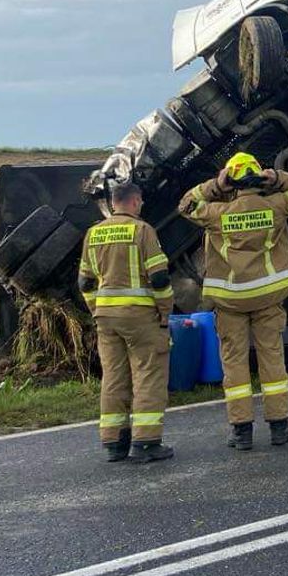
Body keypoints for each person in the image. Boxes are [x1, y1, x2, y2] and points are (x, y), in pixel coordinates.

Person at [179, 152, 288, 450]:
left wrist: (215, 185)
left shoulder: (217, 214)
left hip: (231, 300)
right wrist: (278, 177)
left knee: (235, 363)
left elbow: (186, 204)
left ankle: (241, 432)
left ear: (233, 181)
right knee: (272, 358)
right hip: (268, 296)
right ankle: (279, 428)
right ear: (257, 177)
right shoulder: (276, 206)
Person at [78, 182, 175, 464]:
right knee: (148, 374)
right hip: (140, 316)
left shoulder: (93, 233)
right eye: (140, 202)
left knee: (113, 377)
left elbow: (85, 280)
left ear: (113, 202)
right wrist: (165, 311)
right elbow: (159, 278)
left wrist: (96, 306)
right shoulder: (142, 231)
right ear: (134, 202)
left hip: (105, 318)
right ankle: (145, 443)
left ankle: (114, 442)